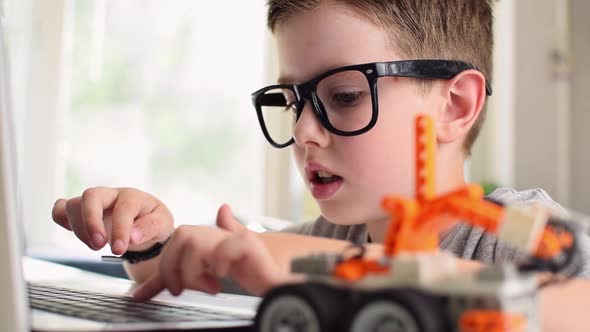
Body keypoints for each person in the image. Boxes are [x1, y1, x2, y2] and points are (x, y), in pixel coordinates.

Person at [51, 0, 590, 314]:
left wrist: (347, 272)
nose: (305, 130)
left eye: (346, 96)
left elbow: (572, 294)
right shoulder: (330, 238)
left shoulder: (511, 228)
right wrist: (151, 241)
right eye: (292, 101)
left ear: (455, 105)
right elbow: (216, 263)